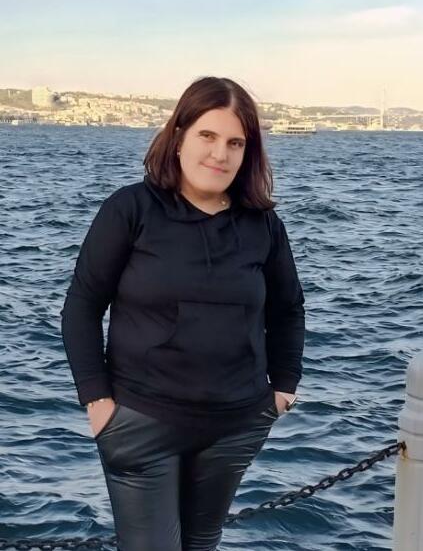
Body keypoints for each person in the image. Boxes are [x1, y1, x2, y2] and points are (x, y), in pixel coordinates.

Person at [60, 76, 305, 551]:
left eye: (235, 143)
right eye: (207, 136)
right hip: (141, 421)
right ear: (178, 138)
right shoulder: (131, 209)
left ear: (248, 152)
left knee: (201, 545)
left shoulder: (263, 225)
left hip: (235, 426)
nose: (220, 154)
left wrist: (282, 390)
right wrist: (98, 403)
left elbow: (289, 309)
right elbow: (82, 306)